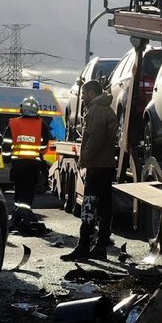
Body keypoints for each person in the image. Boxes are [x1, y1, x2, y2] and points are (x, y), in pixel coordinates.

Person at [62, 80, 117, 261]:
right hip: (105, 166)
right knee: (104, 207)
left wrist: (84, 157)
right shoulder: (105, 109)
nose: (82, 97)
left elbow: (95, 138)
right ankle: (100, 247)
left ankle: (84, 246)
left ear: (92, 93)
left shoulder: (96, 111)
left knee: (88, 205)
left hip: (97, 167)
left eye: (84, 94)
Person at [4, 96, 51, 233]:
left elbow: (6, 144)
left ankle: (19, 214)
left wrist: (7, 161)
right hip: (32, 165)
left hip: (17, 164)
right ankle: (24, 215)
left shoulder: (13, 124)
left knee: (18, 190)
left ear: (22, 109)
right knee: (28, 190)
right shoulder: (41, 125)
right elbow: (44, 146)